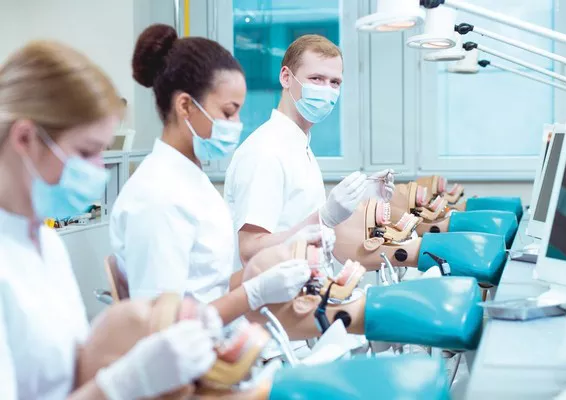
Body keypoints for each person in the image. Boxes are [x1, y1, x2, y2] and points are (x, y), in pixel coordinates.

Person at [0, 40, 217, 399]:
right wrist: (124, 383)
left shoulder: (44, 242)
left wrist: (135, 327)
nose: (99, 169)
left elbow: (65, 374)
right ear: (25, 138)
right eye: (86, 151)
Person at [110, 24, 314, 325]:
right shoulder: (157, 197)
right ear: (185, 106)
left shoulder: (191, 179)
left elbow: (206, 287)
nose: (237, 123)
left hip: (216, 338)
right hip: (190, 348)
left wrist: (267, 266)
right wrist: (252, 293)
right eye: (229, 112)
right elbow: (164, 326)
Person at [224, 34, 394, 270]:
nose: (327, 90)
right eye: (316, 79)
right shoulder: (265, 152)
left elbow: (304, 227)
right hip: (275, 292)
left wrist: (361, 201)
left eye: (335, 83)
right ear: (286, 77)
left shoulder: (298, 145)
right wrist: (324, 217)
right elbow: (250, 251)